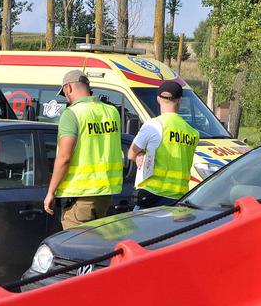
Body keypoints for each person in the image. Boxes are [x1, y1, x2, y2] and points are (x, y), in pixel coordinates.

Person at [43, 70, 123, 229]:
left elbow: (65, 157)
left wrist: (51, 192)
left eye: (65, 93)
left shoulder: (72, 114)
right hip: (105, 195)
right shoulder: (112, 112)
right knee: (98, 248)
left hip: (79, 198)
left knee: (77, 249)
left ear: (68, 89)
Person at [128, 81, 199, 210]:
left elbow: (131, 154)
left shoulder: (154, 125)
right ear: (180, 100)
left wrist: (140, 154)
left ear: (158, 99)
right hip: (178, 197)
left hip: (151, 196)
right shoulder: (192, 133)